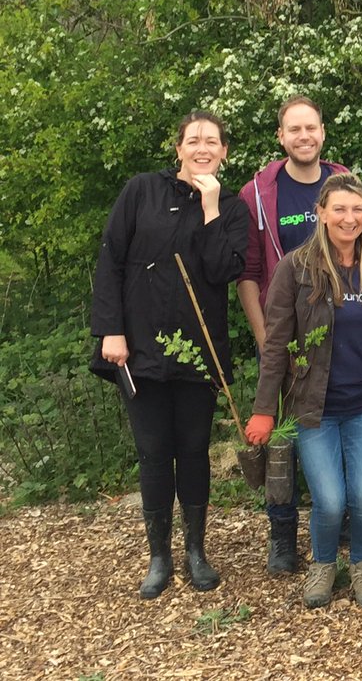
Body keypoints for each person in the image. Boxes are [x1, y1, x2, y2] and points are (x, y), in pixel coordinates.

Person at [90, 110, 250, 599]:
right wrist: (110, 331)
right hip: (139, 349)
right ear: (178, 148)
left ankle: (196, 552)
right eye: (194, 140)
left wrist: (209, 207)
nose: (203, 148)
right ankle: (159, 556)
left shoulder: (232, 205)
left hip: (199, 353)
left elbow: (222, 269)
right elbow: (111, 258)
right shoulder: (141, 191)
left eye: (212, 142)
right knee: (154, 454)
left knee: (194, 451)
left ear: (224, 151)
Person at [246, 173, 362, 609]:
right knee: (329, 499)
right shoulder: (295, 270)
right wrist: (265, 409)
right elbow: (276, 346)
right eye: (339, 209)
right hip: (314, 408)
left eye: (357, 209)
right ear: (320, 214)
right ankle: (323, 565)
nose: (349, 218)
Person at [237, 95, 348, 575]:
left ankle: (341, 523)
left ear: (323, 133)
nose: (304, 137)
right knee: (281, 441)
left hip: (341, 334)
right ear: (281, 137)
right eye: (294, 130)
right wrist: (266, 341)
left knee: (338, 425)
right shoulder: (258, 194)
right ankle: (282, 534)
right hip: (285, 338)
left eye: (312, 128)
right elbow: (248, 274)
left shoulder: (341, 181)